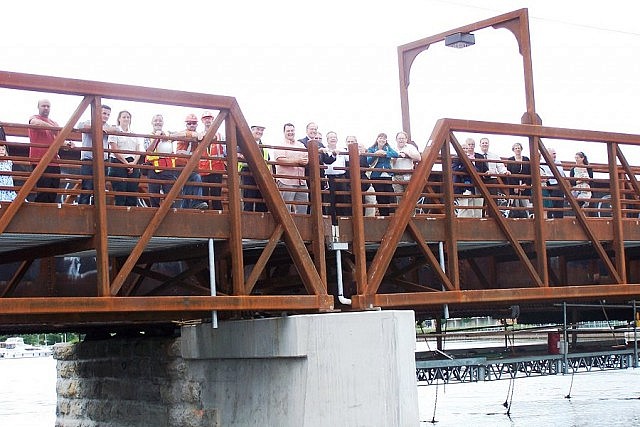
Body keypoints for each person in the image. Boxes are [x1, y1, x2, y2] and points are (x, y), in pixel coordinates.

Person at [28, 99, 73, 203]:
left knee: (53, 191)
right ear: (38, 107)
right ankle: (40, 215)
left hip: (54, 162)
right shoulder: (34, 118)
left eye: (48, 106)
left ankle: (47, 216)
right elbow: (35, 123)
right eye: (43, 106)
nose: (46, 108)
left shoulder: (54, 123)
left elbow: (60, 140)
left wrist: (68, 144)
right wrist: (53, 128)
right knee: (43, 190)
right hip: (40, 160)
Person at [171, 113, 209, 210]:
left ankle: (185, 209)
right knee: (196, 178)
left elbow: (212, 137)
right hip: (181, 166)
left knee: (187, 190)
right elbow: (179, 135)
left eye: (194, 123)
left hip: (192, 168)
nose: (191, 125)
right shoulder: (183, 134)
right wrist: (198, 135)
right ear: (186, 125)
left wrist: (202, 135)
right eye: (189, 123)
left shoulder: (199, 135)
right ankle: (196, 202)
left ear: (197, 125)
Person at [77, 105, 113, 205]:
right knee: (87, 186)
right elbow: (80, 126)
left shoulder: (108, 127)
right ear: (97, 112)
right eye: (104, 113)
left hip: (103, 160)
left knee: (100, 188)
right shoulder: (88, 122)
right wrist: (98, 128)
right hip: (88, 159)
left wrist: (104, 130)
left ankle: (97, 209)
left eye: (108, 114)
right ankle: (82, 209)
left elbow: (117, 130)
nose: (106, 116)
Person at [107, 110, 143, 206]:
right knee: (120, 193)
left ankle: (131, 218)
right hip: (118, 162)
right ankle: (120, 218)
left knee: (132, 192)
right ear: (119, 119)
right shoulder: (114, 132)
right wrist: (126, 164)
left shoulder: (134, 134)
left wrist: (133, 164)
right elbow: (115, 149)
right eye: (124, 117)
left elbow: (138, 150)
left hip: (132, 162)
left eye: (128, 117)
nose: (126, 119)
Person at [273, 123, 308, 214]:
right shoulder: (280, 144)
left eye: (292, 130)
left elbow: (307, 157)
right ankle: (286, 228)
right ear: (284, 132)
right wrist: (298, 161)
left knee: (303, 208)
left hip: (301, 181)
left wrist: (305, 161)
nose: (290, 132)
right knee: (285, 208)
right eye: (288, 131)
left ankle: (300, 228)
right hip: (286, 181)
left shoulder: (300, 145)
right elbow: (280, 160)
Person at [145, 114, 178, 208]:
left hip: (168, 169)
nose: (158, 122)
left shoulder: (169, 134)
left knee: (170, 196)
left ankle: (170, 217)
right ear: (152, 123)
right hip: (153, 169)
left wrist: (167, 136)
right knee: (154, 196)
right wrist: (156, 138)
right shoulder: (148, 136)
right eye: (155, 120)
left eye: (160, 120)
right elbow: (148, 151)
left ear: (163, 122)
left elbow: (181, 133)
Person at [197, 111, 225, 210]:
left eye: (209, 118)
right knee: (203, 197)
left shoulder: (220, 136)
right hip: (203, 170)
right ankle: (203, 217)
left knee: (216, 196)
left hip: (217, 169)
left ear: (213, 120)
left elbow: (225, 150)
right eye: (205, 118)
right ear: (202, 121)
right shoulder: (199, 135)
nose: (207, 120)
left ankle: (218, 215)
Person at [366, 132, 398, 216]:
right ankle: (382, 214)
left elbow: (395, 154)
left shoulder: (388, 148)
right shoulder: (372, 149)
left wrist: (385, 153)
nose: (382, 140)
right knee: (380, 196)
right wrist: (376, 154)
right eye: (380, 138)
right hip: (376, 175)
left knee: (388, 195)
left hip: (387, 175)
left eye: (384, 138)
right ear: (377, 139)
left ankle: (386, 214)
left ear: (386, 140)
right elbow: (368, 161)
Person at [238, 125, 269, 212]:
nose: (260, 132)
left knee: (262, 199)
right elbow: (237, 154)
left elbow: (268, 161)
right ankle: (248, 220)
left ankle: (261, 221)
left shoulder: (264, 146)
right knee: (249, 198)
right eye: (258, 129)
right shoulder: (244, 142)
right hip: (248, 172)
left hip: (262, 174)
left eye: (262, 130)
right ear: (251, 130)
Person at [452, 138, 485, 218]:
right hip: (462, 186)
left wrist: (465, 168)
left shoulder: (469, 159)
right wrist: (467, 168)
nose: (465, 149)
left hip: (471, 186)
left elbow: (476, 170)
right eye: (463, 148)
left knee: (471, 207)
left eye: (466, 148)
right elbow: (455, 169)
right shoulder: (456, 158)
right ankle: (461, 224)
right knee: (464, 207)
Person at [478, 137, 510, 216]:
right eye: (483, 143)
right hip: (480, 179)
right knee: (480, 200)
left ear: (488, 144)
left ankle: (492, 218)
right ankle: (480, 217)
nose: (485, 144)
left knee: (493, 201)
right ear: (480, 145)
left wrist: (505, 172)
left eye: (486, 143)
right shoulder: (477, 155)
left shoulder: (494, 156)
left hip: (492, 180)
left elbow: (500, 167)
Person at [323, 131, 350, 219]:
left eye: (334, 137)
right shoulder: (324, 150)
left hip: (341, 178)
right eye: (331, 137)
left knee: (343, 200)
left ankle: (342, 224)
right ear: (327, 140)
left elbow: (350, 159)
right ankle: (332, 225)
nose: (333, 139)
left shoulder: (342, 149)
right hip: (329, 178)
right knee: (330, 202)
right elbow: (327, 161)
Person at [391, 131, 421, 204]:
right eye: (399, 138)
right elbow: (391, 162)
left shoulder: (410, 147)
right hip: (396, 176)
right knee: (399, 198)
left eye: (403, 138)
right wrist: (397, 156)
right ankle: (402, 215)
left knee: (410, 197)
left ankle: (412, 215)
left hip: (409, 175)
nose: (401, 140)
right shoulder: (393, 148)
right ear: (396, 139)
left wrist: (407, 154)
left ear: (406, 139)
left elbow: (418, 158)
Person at [506, 142, 531, 217]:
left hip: (525, 185)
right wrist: (514, 186)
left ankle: (527, 217)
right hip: (514, 186)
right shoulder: (510, 160)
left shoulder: (526, 159)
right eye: (516, 148)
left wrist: (526, 184)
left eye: (519, 148)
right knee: (514, 204)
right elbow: (509, 174)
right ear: (513, 150)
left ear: (521, 149)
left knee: (526, 204)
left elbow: (530, 172)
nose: (517, 150)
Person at [539, 147, 566, 218]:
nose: (555, 155)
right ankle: (549, 221)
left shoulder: (558, 162)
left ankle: (559, 222)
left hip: (559, 185)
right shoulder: (542, 163)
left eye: (555, 153)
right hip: (549, 186)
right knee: (550, 205)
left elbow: (562, 174)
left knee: (559, 205)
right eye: (553, 153)